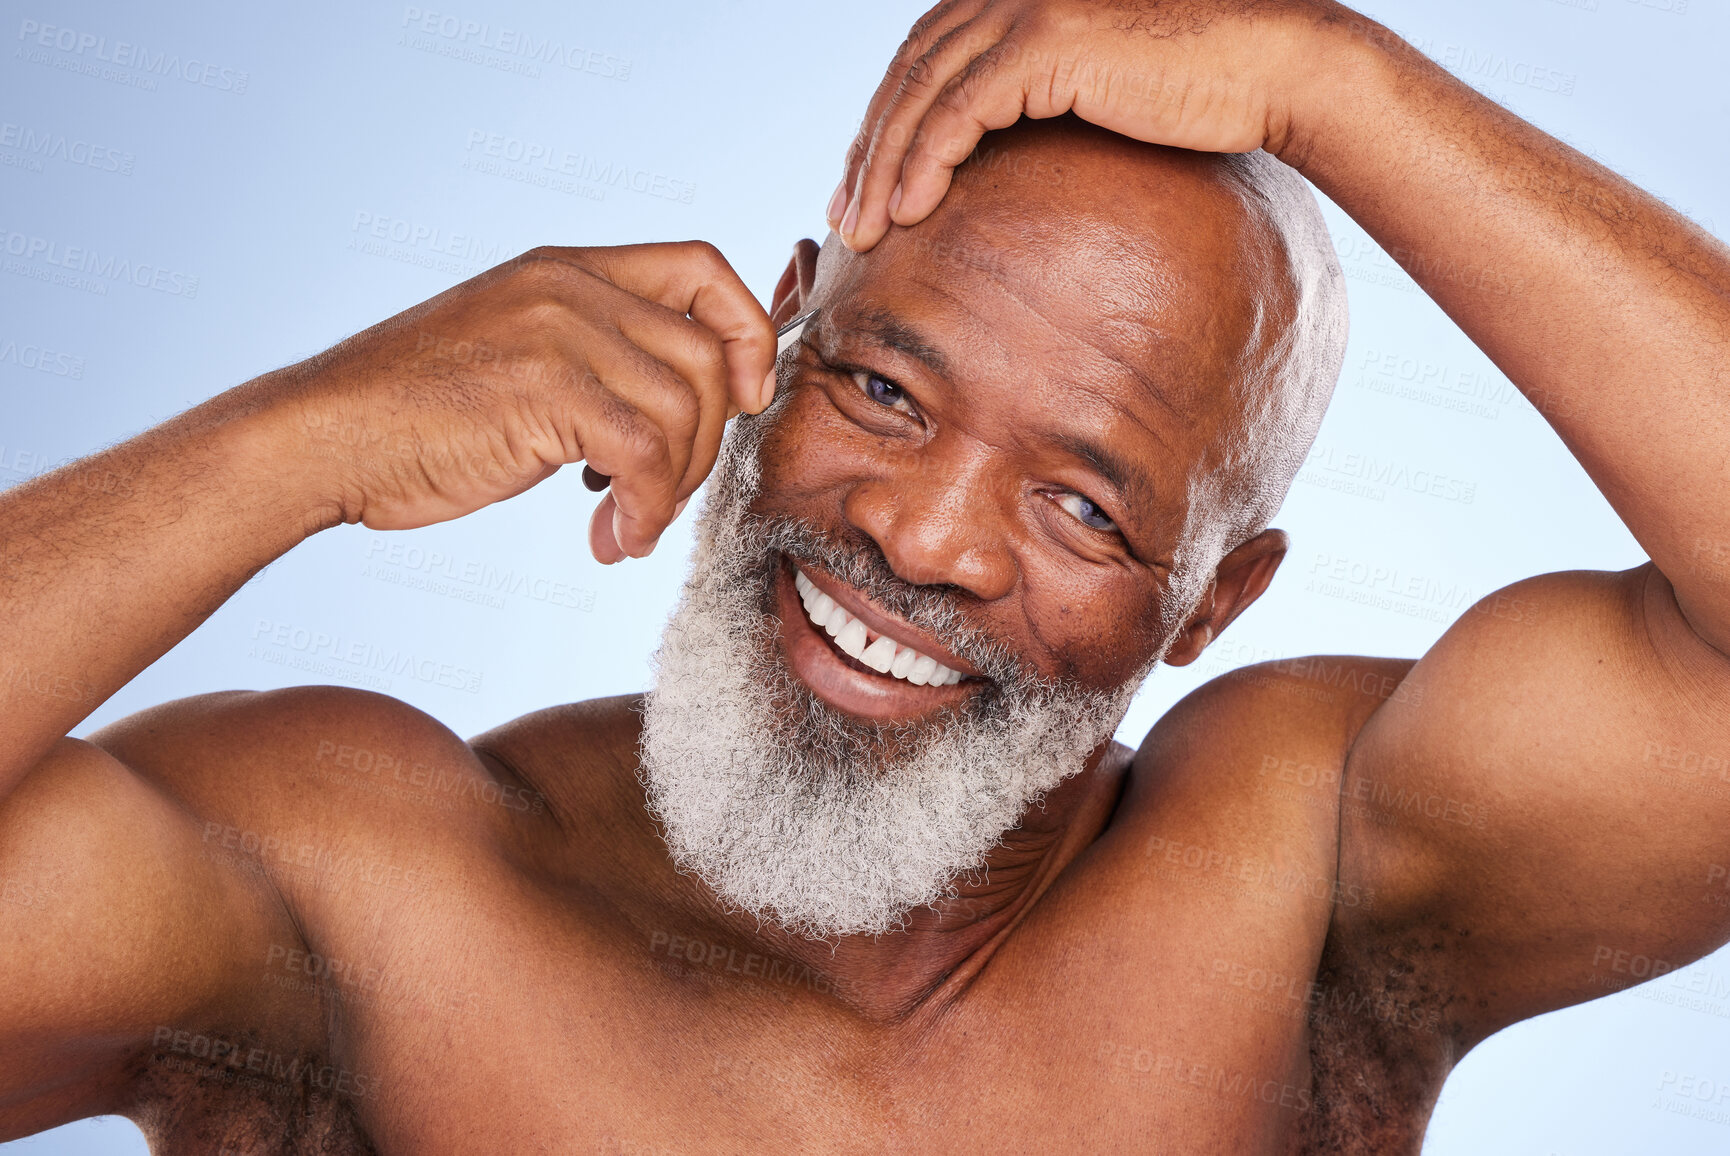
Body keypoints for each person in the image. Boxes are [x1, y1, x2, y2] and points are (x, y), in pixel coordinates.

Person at [3, 1, 1727, 1152]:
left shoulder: (1307, 880)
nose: (922, 539)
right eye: (883, 391)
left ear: (1212, 603)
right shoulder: (355, 876)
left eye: (1081, 507)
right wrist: (282, 447)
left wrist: (1328, 73)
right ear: (772, 333)